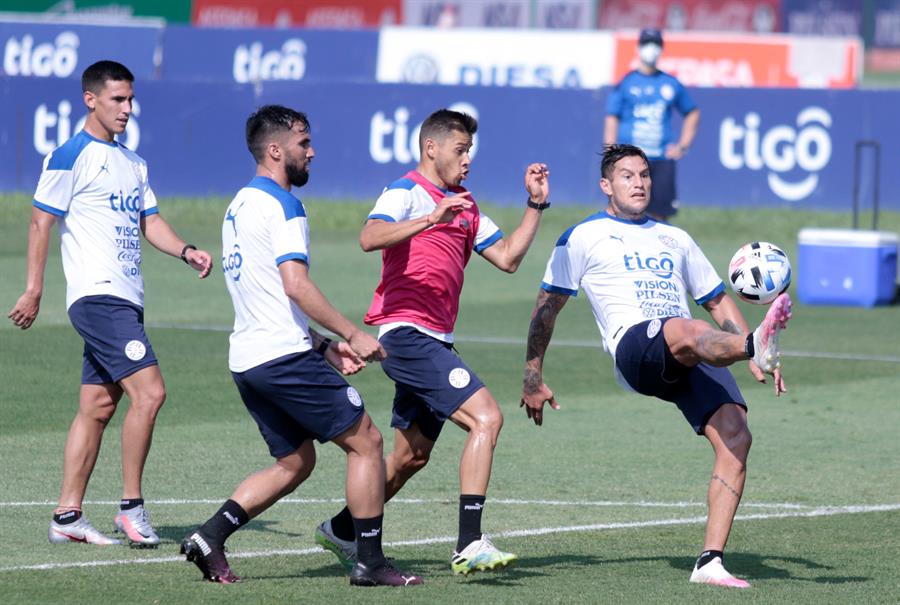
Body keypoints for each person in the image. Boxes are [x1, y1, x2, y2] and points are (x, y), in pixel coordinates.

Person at [520, 144, 792, 589]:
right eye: (627, 176)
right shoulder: (581, 236)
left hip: (688, 347)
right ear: (606, 185)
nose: (640, 183)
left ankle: (710, 563)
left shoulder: (675, 238)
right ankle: (752, 344)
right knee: (684, 326)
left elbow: (717, 298)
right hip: (635, 348)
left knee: (736, 434)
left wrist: (754, 357)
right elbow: (545, 310)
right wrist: (532, 376)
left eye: (645, 175)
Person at [179, 105, 422, 587]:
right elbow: (295, 285)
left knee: (295, 461)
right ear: (276, 150)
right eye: (303, 143)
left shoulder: (238, 207)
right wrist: (352, 334)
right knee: (367, 442)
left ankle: (210, 537)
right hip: (280, 357)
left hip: (249, 358)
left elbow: (263, 293)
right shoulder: (284, 205)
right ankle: (369, 562)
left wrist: (322, 346)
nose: (312, 152)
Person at [315, 109, 550, 576]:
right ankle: (469, 542)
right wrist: (429, 217)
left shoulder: (465, 203)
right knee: (487, 416)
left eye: (470, 152)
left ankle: (342, 529)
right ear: (432, 148)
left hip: (436, 341)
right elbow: (369, 237)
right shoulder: (405, 191)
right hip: (405, 333)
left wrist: (535, 206)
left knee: (409, 458)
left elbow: (507, 259)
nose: (467, 161)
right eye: (460, 151)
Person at [7, 60, 214, 547]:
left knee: (98, 406)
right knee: (151, 392)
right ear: (90, 99)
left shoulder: (133, 163)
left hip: (125, 298)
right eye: (117, 99)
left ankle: (67, 514)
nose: (126, 108)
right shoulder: (69, 155)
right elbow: (41, 221)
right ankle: (131, 509)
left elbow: (150, 222)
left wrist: (185, 250)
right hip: (97, 297)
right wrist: (34, 289)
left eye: (130, 99)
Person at [604, 28, 700, 222]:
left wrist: (683, 145)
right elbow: (612, 116)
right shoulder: (627, 83)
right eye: (648, 44)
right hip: (630, 158)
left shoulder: (670, 83)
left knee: (660, 215)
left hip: (661, 158)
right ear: (639, 48)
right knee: (626, 209)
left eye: (656, 44)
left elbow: (692, 112)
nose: (651, 49)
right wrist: (610, 150)